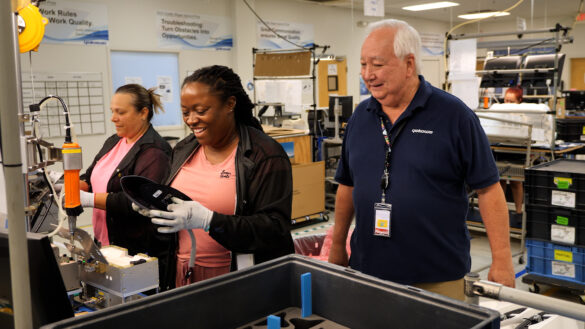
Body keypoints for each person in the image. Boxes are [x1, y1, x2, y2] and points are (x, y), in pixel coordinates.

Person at [327, 19, 515, 301]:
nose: (368, 74)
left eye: (377, 65)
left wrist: (502, 259)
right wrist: (338, 245)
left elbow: (489, 189)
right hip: (368, 271)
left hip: (436, 277)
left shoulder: (455, 117)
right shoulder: (360, 117)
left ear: (409, 64)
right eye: (364, 65)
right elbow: (347, 185)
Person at [135, 65, 295, 287]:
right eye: (185, 112)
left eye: (201, 111)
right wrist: (154, 206)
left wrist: (210, 221)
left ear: (230, 104)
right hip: (183, 273)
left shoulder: (265, 156)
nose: (191, 120)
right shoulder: (183, 150)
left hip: (237, 280)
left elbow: (274, 229)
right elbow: (175, 205)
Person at [79, 84, 174, 290]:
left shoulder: (155, 152)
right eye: (112, 111)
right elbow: (90, 177)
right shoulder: (114, 141)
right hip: (105, 243)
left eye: (120, 112)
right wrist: (62, 185)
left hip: (136, 251)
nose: (114, 118)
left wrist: (88, 200)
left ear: (143, 113)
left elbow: (138, 201)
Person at [501, 87, 524, 223]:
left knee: (516, 181)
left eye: (511, 101)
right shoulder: (499, 113)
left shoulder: (523, 115)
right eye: (505, 100)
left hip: (517, 147)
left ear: (519, 101)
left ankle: (518, 212)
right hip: (502, 146)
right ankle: (501, 211)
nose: (507, 104)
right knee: (500, 180)